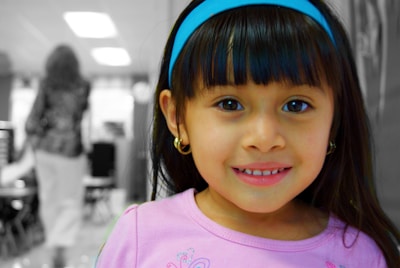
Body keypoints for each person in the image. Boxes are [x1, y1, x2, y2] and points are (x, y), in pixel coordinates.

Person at [96, 0, 400, 267]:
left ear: (334, 119)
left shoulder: (362, 255)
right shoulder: (140, 235)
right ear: (177, 118)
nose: (264, 138)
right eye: (229, 104)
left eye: (296, 105)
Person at [25, 44, 90, 267]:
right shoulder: (83, 86)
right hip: (71, 151)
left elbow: (33, 120)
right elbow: (79, 119)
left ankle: (53, 243)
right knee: (70, 200)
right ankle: (60, 244)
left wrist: (35, 143)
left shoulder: (46, 85)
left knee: (48, 198)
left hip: (45, 150)